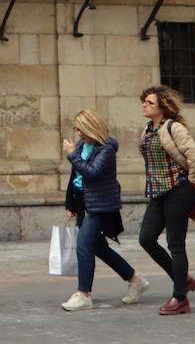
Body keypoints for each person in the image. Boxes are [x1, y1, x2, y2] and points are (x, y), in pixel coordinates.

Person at [58, 108, 148, 311]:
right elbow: (75, 177)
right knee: (99, 247)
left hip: (99, 204)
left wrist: (72, 155)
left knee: (83, 245)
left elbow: (92, 173)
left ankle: (83, 295)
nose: (78, 134)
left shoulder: (106, 149)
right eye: (77, 129)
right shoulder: (82, 145)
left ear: (92, 128)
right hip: (83, 202)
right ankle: (136, 280)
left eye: (81, 129)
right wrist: (70, 203)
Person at [137, 85, 195, 315]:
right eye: (144, 101)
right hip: (157, 192)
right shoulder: (147, 130)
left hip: (178, 190)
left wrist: (191, 184)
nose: (145, 105)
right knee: (146, 238)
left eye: (150, 102)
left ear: (162, 106)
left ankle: (180, 298)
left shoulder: (173, 127)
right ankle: (182, 279)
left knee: (175, 244)